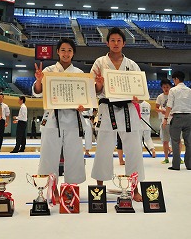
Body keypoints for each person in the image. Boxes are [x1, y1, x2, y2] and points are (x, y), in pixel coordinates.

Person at [90, 27, 145, 202]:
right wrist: (98, 84)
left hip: (129, 109)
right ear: (107, 43)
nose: (115, 43)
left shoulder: (132, 64)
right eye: (112, 40)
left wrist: (138, 97)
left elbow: (140, 90)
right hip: (107, 108)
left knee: (134, 149)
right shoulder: (100, 62)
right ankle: (99, 189)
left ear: (124, 43)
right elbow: (94, 90)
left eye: (118, 40)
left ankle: (135, 189)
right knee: (103, 148)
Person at [32, 38, 86, 200]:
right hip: (52, 119)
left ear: (73, 53)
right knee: (49, 154)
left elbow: (86, 98)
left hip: (73, 118)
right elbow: (37, 92)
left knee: (74, 155)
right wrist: (39, 80)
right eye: (63, 50)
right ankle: (52, 188)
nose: (66, 53)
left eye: (69, 50)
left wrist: (84, 105)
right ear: (57, 52)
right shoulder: (48, 71)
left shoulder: (80, 74)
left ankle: (70, 189)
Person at [163, 71, 191, 171]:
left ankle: (176, 165)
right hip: (189, 117)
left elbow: (169, 105)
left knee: (175, 141)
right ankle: (189, 164)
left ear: (176, 79)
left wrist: (165, 119)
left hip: (177, 117)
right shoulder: (189, 90)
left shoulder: (173, 90)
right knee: (189, 142)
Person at [155, 79, 183, 164]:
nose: (166, 89)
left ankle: (178, 157)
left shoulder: (175, 95)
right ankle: (166, 158)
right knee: (165, 141)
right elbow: (156, 108)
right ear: (161, 88)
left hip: (175, 121)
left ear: (171, 87)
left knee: (178, 140)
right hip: (165, 121)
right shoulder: (160, 97)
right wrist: (161, 111)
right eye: (164, 87)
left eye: (167, 87)